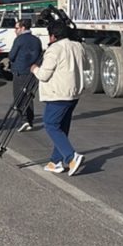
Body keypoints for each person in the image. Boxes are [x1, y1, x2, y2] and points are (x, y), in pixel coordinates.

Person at [30, 19, 85, 176]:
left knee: (51, 124)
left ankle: (71, 156)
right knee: (62, 127)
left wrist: (34, 69)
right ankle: (56, 161)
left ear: (53, 36)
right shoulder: (78, 46)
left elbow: (44, 75)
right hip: (74, 93)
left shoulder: (55, 49)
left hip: (58, 94)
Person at [9, 19, 43, 132]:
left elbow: (12, 55)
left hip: (20, 72)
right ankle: (29, 120)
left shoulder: (19, 40)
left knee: (18, 97)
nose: (15, 31)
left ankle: (24, 120)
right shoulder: (36, 40)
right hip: (32, 72)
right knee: (28, 96)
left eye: (16, 28)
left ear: (23, 28)